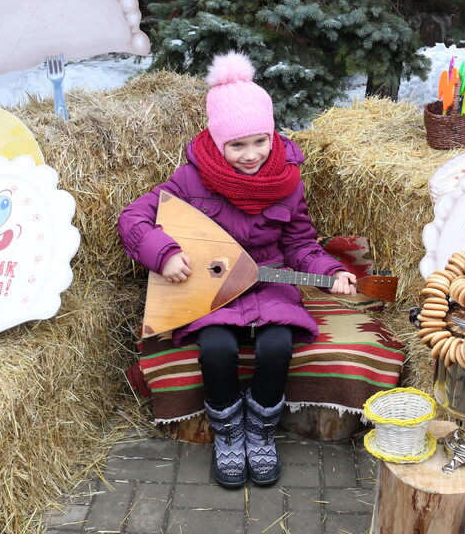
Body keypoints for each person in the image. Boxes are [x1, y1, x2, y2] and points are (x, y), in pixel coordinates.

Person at [118, 51, 357, 489]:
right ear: (217, 140)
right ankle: (228, 430)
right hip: (209, 290)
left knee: (276, 346)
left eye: (260, 141)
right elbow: (133, 219)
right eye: (237, 145)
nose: (252, 155)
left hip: (269, 284)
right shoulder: (191, 179)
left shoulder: (288, 180)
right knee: (215, 348)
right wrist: (164, 252)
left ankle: (261, 427)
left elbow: (300, 243)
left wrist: (330, 270)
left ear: (271, 134)